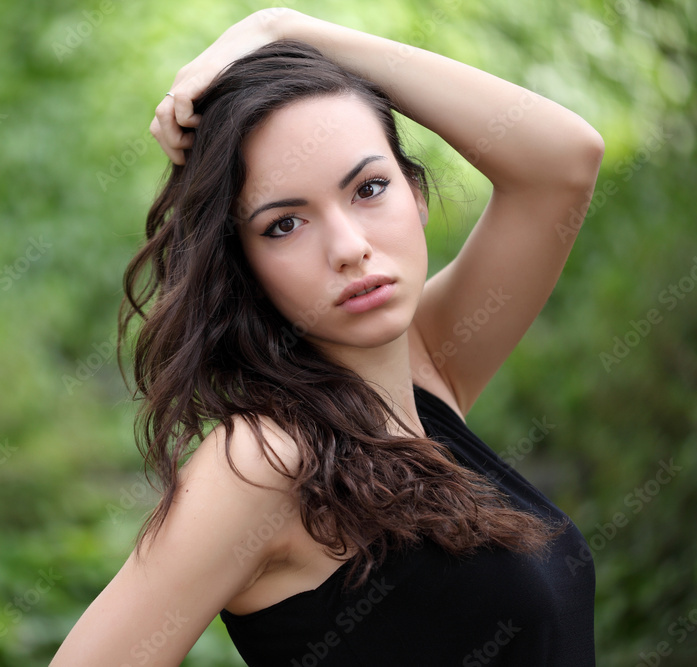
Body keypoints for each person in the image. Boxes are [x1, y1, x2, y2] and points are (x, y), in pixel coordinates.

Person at [51, 8, 603, 666]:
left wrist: (287, 30)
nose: (349, 248)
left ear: (416, 193)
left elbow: (563, 163)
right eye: (285, 224)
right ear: (244, 263)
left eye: (369, 188)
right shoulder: (265, 463)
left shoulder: (426, 369)